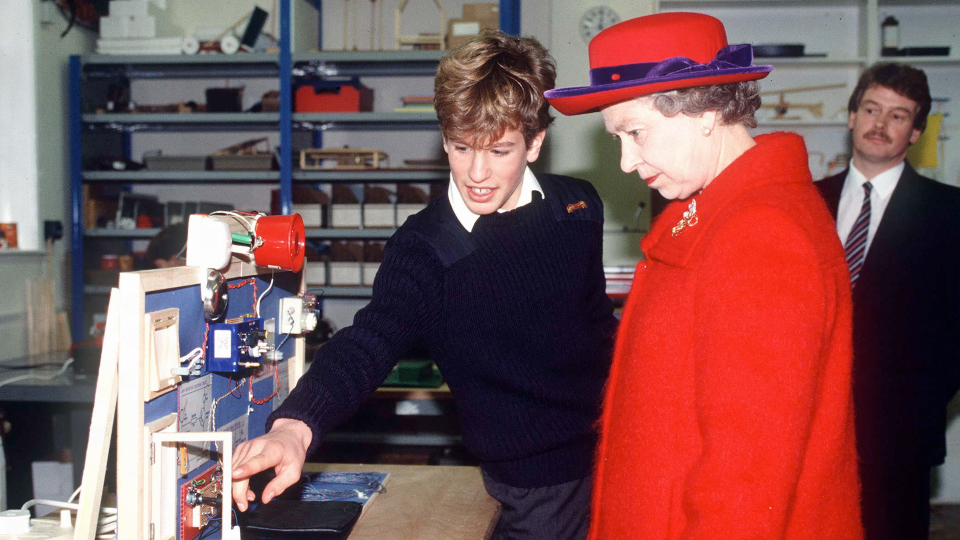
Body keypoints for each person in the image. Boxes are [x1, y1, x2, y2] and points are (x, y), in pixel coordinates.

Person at [232, 30, 618, 540]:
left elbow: (597, 326)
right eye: (461, 147)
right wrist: (294, 427)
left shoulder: (578, 207)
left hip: (616, 448)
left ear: (536, 142)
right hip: (533, 485)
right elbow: (369, 341)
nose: (477, 173)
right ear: (444, 139)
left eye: (499, 151)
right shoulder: (427, 249)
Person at [545, 12, 862, 539]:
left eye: (635, 132)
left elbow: (745, 481)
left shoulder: (759, 235)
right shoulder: (721, 214)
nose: (625, 161)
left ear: (706, 110)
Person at [815, 62, 960, 540]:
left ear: (916, 132)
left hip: (900, 430)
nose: (881, 123)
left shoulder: (949, 213)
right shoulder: (806, 201)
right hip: (812, 420)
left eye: (899, 116)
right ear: (852, 116)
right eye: (872, 109)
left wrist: (916, 401)